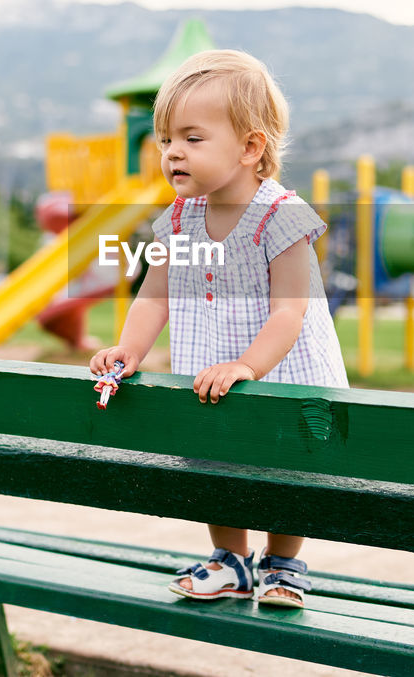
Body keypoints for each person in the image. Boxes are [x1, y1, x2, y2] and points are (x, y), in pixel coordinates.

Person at [89, 49, 348, 609]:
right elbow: (154, 294)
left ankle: (282, 560)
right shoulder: (179, 219)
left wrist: (247, 366)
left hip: (284, 371)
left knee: (287, 469)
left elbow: (290, 312)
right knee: (210, 458)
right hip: (209, 368)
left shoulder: (281, 216)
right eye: (165, 140)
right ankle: (229, 559)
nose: (172, 153)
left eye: (192, 138)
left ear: (251, 148)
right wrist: (129, 351)